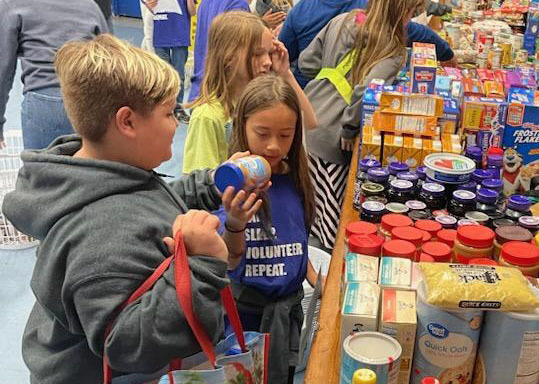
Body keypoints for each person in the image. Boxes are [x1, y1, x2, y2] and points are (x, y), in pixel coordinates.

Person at [2, 34, 253, 383]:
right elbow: (130, 343)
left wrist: (212, 183)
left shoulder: (100, 171)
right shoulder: (101, 237)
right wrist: (203, 264)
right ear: (127, 122)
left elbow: (148, 201)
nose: (175, 123)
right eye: (169, 112)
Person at [219, 74, 318, 384]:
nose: (274, 146)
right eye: (262, 133)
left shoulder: (298, 178)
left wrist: (315, 277)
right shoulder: (229, 186)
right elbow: (227, 262)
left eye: (286, 135)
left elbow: (294, 239)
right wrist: (234, 224)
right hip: (245, 318)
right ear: (242, 128)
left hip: (286, 316)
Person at [300, 0, 423, 248]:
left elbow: (306, 62)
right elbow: (367, 90)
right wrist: (349, 126)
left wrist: (331, 78)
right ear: (402, 11)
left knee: (309, 208)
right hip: (334, 136)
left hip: (309, 118)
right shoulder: (393, 48)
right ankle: (322, 279)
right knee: (331, 226)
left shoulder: (344, 20)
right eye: (412, 12)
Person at [183, 11, 316, 174]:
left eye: (269, 53)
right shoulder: (209, 116)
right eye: (257, 54)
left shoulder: (264, 101)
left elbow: (310, 123)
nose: (268, 62)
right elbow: (199, 183)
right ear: (228, 57)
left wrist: (286, 73)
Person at [0, 0, 108, 150]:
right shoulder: (90, 6)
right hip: (87, 102)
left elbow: (3, 68)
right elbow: (111, 61)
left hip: (43, 102)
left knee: (42, 170)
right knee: (87, 171)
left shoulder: (13, 4)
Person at [279, 0, 455, 88]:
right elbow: (410, 30)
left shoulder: (301, 9)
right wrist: (446, 52)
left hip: (308, 95)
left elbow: (285, 59)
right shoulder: (364, 9)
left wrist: (322, 79)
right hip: (347, 107)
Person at [189, 0, 286, 102]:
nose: (267, 62)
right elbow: (237, 41)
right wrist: (262, 25)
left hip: (201, 87)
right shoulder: (237, 4)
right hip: (225, 93)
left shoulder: (206, 3)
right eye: (258, 54)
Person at [147, 0, 197, 123]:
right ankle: (164, 106)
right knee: (163, 75)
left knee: (178, 74)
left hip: (179, 36)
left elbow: (192, 12)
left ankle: (178, 107)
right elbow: (149, 7)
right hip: (160, 35)